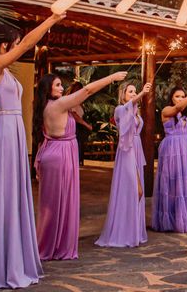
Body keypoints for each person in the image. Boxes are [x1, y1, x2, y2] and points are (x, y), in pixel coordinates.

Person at [0, 15, 63, 289]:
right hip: (3, 133)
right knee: (1, 193)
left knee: (14, 193)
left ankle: (15, 257)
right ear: (4, 45)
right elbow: (27, 43)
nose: (17, 48)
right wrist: (52, 19)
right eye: (13, 44)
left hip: (13, 132)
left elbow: (23, 45)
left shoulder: (8, 72)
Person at [34, 71, 127, 260]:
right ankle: (52, 246)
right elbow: (87, 90)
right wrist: (112, 77)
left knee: (53, 203)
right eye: (58, 85)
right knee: (57, 203)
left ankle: (52, 243)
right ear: (48, 88)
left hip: (54, 152)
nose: (62, 88)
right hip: (60, 154)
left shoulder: (47, 105)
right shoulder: (58, 104)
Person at [96, 82, 151, 247]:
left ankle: (133, 231)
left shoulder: (135, 112)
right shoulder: (120, 109)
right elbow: (126, 115)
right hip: (127, 152)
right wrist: (142, 93)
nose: (134, 94)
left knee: (137, 191)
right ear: (123, 94)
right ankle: (123, 232)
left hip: (136, 149)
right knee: (134, 190)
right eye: (130, 92)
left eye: (135, 91)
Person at [151, 86, 187, 233]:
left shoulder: (185, 116)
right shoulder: (167, 110)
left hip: (184, 152)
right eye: (177, 96)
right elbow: (178, 107)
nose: (180, 98)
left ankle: (183, 217)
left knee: (183, 183)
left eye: (182, 96)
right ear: (172, 98)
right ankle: (170, 220)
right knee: (171, 183)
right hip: (171, 151)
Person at [66, 81, 93, 166]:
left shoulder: (78, 102)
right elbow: (75, 116)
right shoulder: (71, 101)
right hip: (74, 126)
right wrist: (86, 125)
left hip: (79, 127)